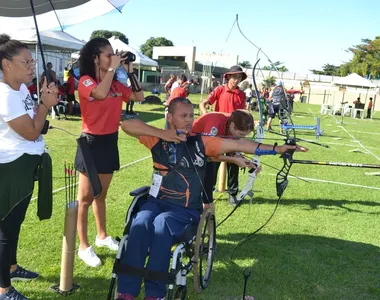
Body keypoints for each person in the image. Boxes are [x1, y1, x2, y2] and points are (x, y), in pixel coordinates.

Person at [116, 97, 307, 300]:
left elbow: (241, 143)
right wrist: (163, 134)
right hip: (156, 202)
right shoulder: (156, 139)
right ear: (170, 117)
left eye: (191, 115)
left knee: (162, 225)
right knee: (140, 222)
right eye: (183, 116)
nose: (189, 120)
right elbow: (126, 124)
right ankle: (127, 291)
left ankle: (155, 294)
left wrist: (277, 149)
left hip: (184, 209)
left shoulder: (201, 142)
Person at [74, 37, 144, 267]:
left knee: (100, 196)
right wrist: (114, 68)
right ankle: (83, 247)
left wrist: (130, 70)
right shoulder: (85, 81)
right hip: (91, 142)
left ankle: (102, 236)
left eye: (113, 54)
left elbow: (138, 97)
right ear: (95, 58)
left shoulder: (114, 84)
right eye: (108, 54)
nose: (112, 57)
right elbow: (99, 94)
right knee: (84, 199)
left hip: (109, 142)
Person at [0, 34, 58, 300]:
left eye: (32, 61)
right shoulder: (5, 95)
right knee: (6, 228)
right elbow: (32, 132)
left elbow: (34, 118)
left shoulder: (19, 88)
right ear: (6, 64)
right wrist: (45, 106)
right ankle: (3, 289)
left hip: (23, 164)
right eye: (25, 62)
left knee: (16, 222)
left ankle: (11, 268)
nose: (31, 66)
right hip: (12, 167)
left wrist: (42, 104)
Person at [199, 65, 247, 205]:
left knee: (235, 164)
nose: (236, 81)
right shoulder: (220, 90)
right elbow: (204, 103)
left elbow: (241, 114)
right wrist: (205, 114)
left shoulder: (242, 95)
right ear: (228, 77)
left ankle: (232, 194)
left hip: (234, 134)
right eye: (234, 77)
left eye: (239, 78)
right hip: (218, 133)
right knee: (214, 162)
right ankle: (209, 191)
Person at [192, 110, 255, 206]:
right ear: (233, 126)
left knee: (208, 195)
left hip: (206, 156)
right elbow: (209, 156)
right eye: (241, 134)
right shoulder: (215, 123)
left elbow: (232, 150)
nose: (240, 138)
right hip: (192, 153)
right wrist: (234, 160)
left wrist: (247, 162)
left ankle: (207, 208)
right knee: (198, 193)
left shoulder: (232, 126)